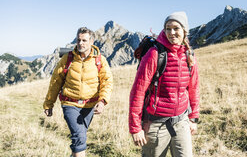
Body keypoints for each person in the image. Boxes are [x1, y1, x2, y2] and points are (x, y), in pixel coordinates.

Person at [129, 11, 200, 157]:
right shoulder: (154, 54)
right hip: (156, 125)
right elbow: (138, 91)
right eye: (168, 28)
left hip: (182, 122)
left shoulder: (189, 55)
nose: (171, 32)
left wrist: (193, 118)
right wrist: (136, 128)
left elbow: (194, 88)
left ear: (184, 30)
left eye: (176, 28)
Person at [43, 27, 113, 157]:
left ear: (91, 41)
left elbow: (107, 81)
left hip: (89, 106)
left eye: (84, 40)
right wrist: (49, 104)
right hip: (70, 104)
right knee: (79, 137)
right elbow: (55, 82)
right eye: (79, 40)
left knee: (79, 138)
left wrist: (102, 101)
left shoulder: (99, 60)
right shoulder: (67, 59)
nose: (81, 43)